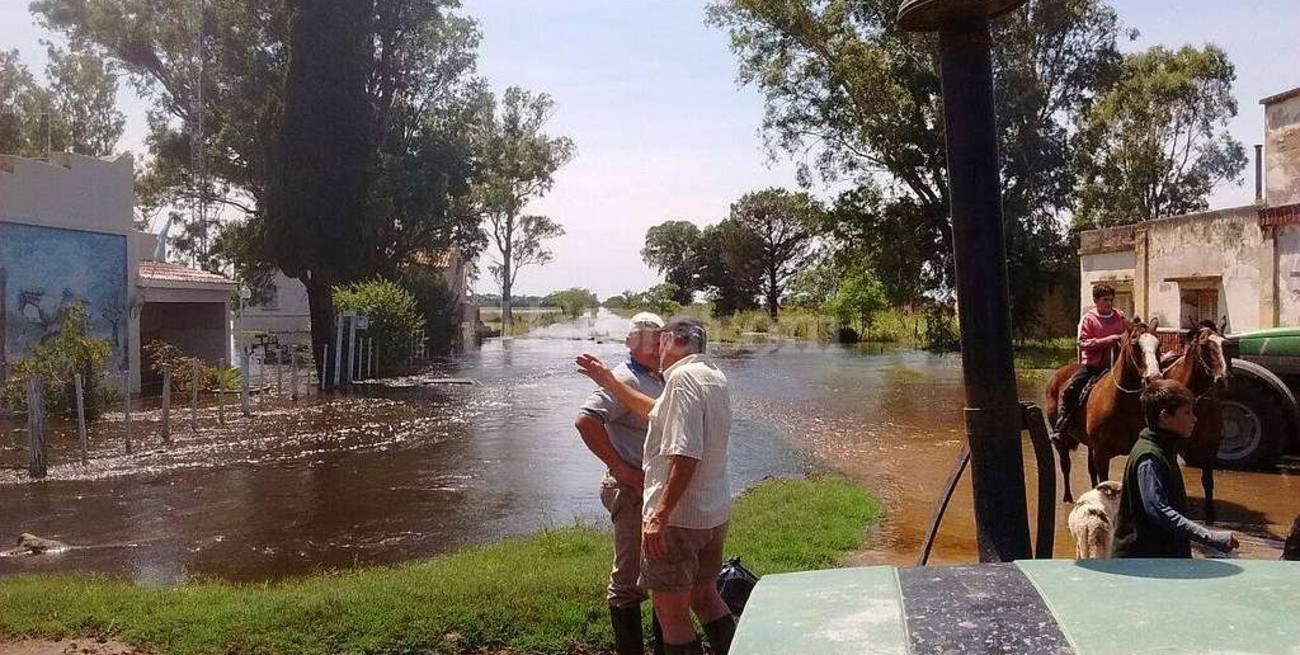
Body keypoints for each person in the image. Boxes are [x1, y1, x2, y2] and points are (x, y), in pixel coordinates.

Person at [576, 315, 735, 655]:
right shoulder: (712, 375)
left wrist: (660, 514)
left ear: (670, 342)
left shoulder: (679, 381)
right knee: (706, 596)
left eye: (658, 342)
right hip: (712, 512)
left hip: (679, 518)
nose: (655, 350)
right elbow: (656, 413)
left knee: (673, 617)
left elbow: (686, 454)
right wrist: (608, 380)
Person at [574, 312, 666, 655]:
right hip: (629, 490)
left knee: (660, 574)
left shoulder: (660, 376)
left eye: (659, 342)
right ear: (630, 344)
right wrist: (621, 469)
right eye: (646, 343)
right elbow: (585, 421)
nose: (655, 348)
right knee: (628, 581)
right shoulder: (624, 378)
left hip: (653, 490)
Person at [1110, 379, 1239, 558]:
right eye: (1187, 413)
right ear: (1165, 417)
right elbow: (1158, 509)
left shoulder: (1165, 449)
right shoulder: (1149, 457)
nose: (1194, 419)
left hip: (1158, 560)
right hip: (1142, 565)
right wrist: (1210, 536)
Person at [1054, 283, 1129, 436]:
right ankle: (1063, 424)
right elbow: (1082, 343)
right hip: (1093, 366)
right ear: (1096, 300)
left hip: (1116, 366)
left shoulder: (1120, 316)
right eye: (1105, 300)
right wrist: (1107, 340)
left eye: (1110, 300)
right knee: (1071, 389)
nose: (1109, 303)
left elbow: (1129, 334)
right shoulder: (1089, 319)